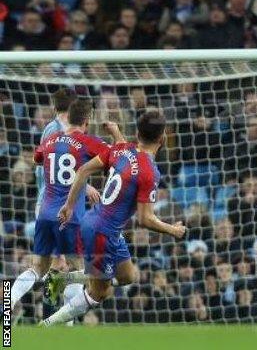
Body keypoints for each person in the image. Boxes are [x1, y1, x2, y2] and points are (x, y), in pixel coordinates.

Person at [40, 111, 186, 326]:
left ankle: (62, 279)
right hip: (102, 233)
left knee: (128, 276)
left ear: (137, 133)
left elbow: (82, 170)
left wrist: (69, 205)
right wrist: (173, 230)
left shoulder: (121, 150)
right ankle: (47, 325)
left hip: (100, 224)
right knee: (100, 293)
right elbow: (146, 219)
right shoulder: (150, 173)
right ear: (163, 138)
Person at [10, 100, 123, 313]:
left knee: (38, 268)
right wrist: (116, 134)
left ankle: (8, 301)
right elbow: (120, 159)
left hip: (45, 213)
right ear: (87, 121)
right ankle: (67, 325)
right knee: (78, 268)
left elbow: (37, 159)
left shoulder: (51, 139)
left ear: (68, 118)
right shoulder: (89, 142)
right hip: (69, 216)